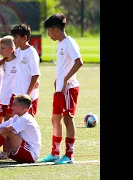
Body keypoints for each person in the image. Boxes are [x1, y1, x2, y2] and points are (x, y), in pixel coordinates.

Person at [37, 13, 83, 164]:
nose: (48, 34)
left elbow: (79, 62)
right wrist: (59, 79)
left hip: (68, 89)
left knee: (68, 119)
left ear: (55, 29)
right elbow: (66, 64)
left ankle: (69, 155)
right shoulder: (60, 43)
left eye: (48, 31)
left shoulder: (69, 42)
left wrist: (66, 79)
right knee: (55, 119)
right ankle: (55, 152)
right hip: (60, 89)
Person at [0, 23, 41, 117]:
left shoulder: (31, 53)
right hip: (16, 94)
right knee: (10, 120)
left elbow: (35, 74)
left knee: (26, 123)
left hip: (28, 96)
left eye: (16, 37)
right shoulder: (18, 51)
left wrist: (27, 95)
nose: (14, 40)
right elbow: (8, 56)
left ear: (24, 38)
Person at [0, 94, 41, 163]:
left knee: (6, 131)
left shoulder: (26, 119)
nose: (12, 107)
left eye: (14, 105)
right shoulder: (16, 118)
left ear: (23, 108)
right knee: (1, 130)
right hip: (19, 151)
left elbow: (5, 130)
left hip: (31, 154)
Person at [0, 35, 17, 160]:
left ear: (11, 49)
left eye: (3, 48)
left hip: (13, 97)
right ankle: (6, 151)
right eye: (0, 48)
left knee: (8, 124)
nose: (0, 51)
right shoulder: (5, 61)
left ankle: (8, 151)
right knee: (4, 123)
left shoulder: (19, 59)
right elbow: (0, 59)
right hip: (4, 97)